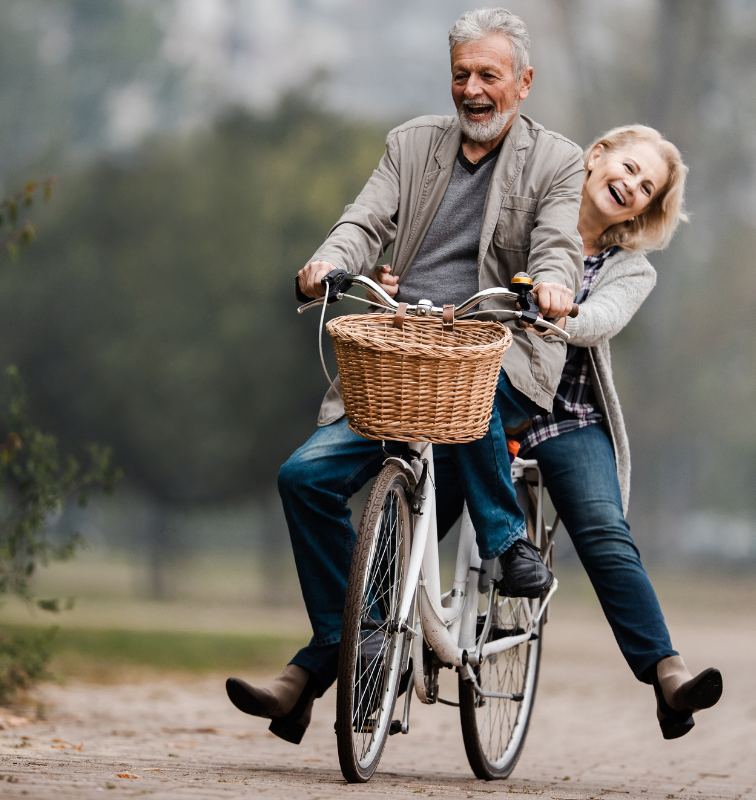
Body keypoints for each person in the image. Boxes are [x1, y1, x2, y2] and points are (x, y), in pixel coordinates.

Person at [225, 8, 584, 745]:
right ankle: (343, 640)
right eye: (461, 75)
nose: (473, 90)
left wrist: (549, 285)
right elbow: (365, 218)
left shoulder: (558, 161)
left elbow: (556, 246)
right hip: (405, 352)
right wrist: (329, 261)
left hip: (500, 348)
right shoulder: (411, 144)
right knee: (305, 478)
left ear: (524, 82)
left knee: (475, 387)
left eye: (488, 75)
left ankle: (507, 542)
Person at [501, 124, 723, 739]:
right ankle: (320, 669)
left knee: (604, 529)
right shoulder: (527, 218)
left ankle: (669, 676)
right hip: (491, 396)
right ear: (597, 157)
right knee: (423, 505)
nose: (630, 186)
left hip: (570, 417)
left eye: (646, 188)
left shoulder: (632, 271)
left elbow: (601, 319)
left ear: (648, 209)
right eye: (627, 168)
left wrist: (562, 309)